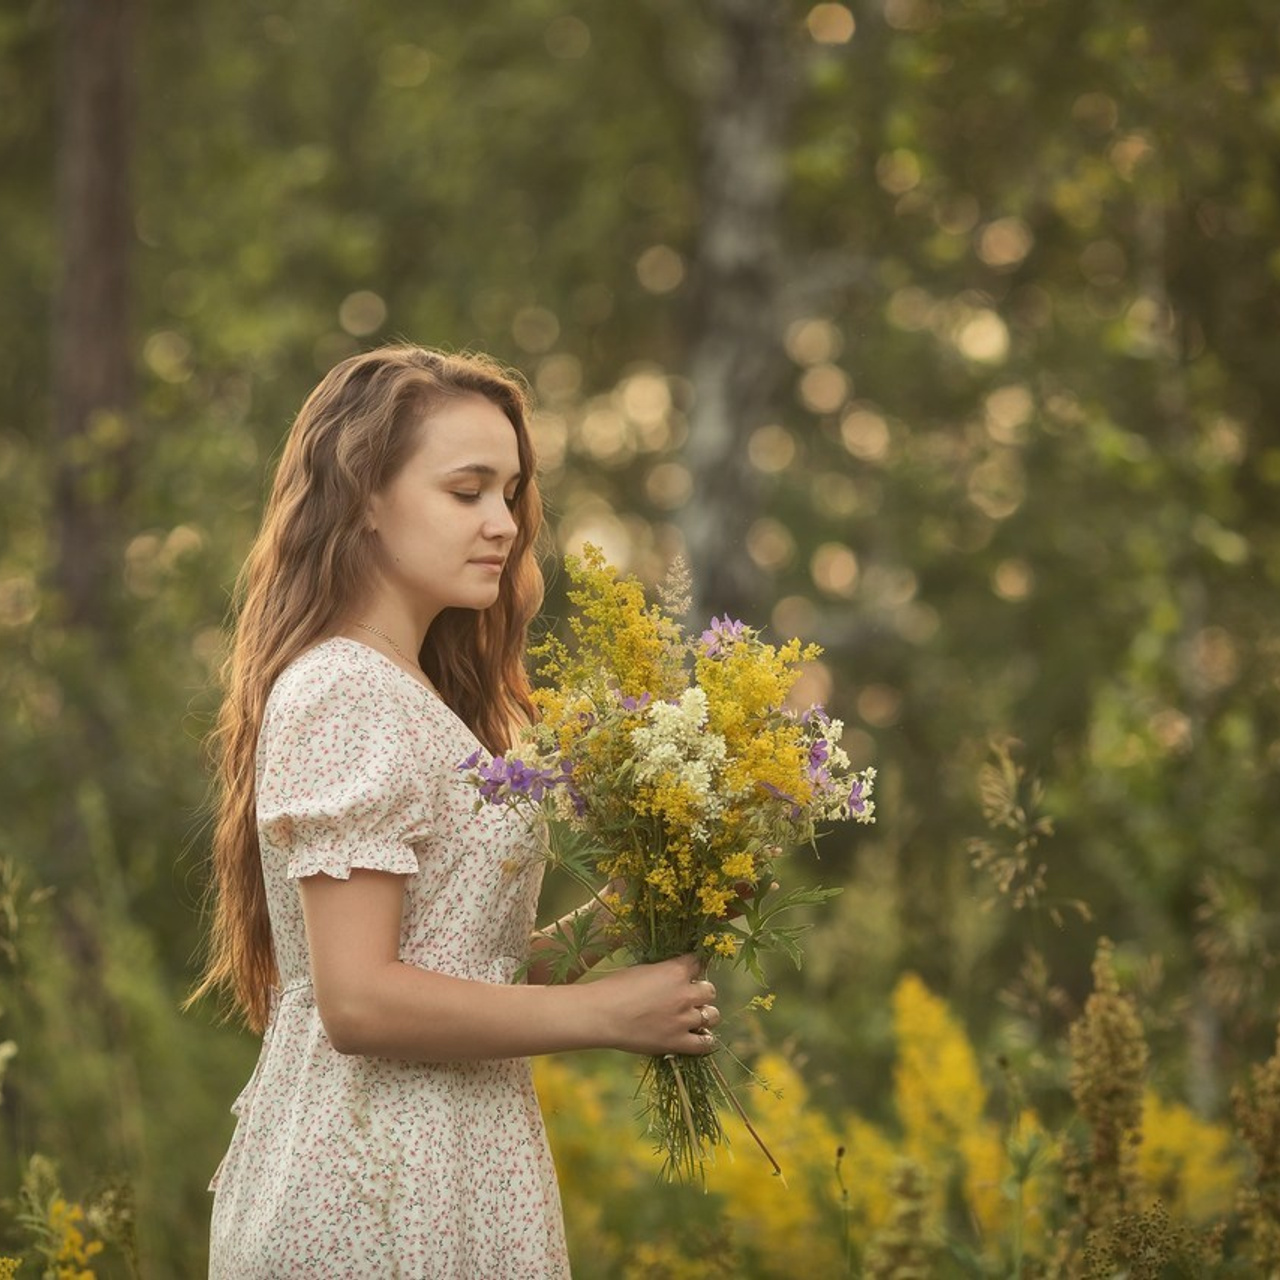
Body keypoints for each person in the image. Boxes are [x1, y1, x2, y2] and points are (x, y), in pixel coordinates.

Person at [189, 345, 721, 1278]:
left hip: (453, 1166)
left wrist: (628, 910)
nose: (504, 524)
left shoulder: (413, 696)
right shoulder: (343, 691)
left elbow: (463, 970)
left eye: (511, 494)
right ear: (362, 496)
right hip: (372, 1192)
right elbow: (361, 1000)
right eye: (467, 490)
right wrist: (608, 1014)